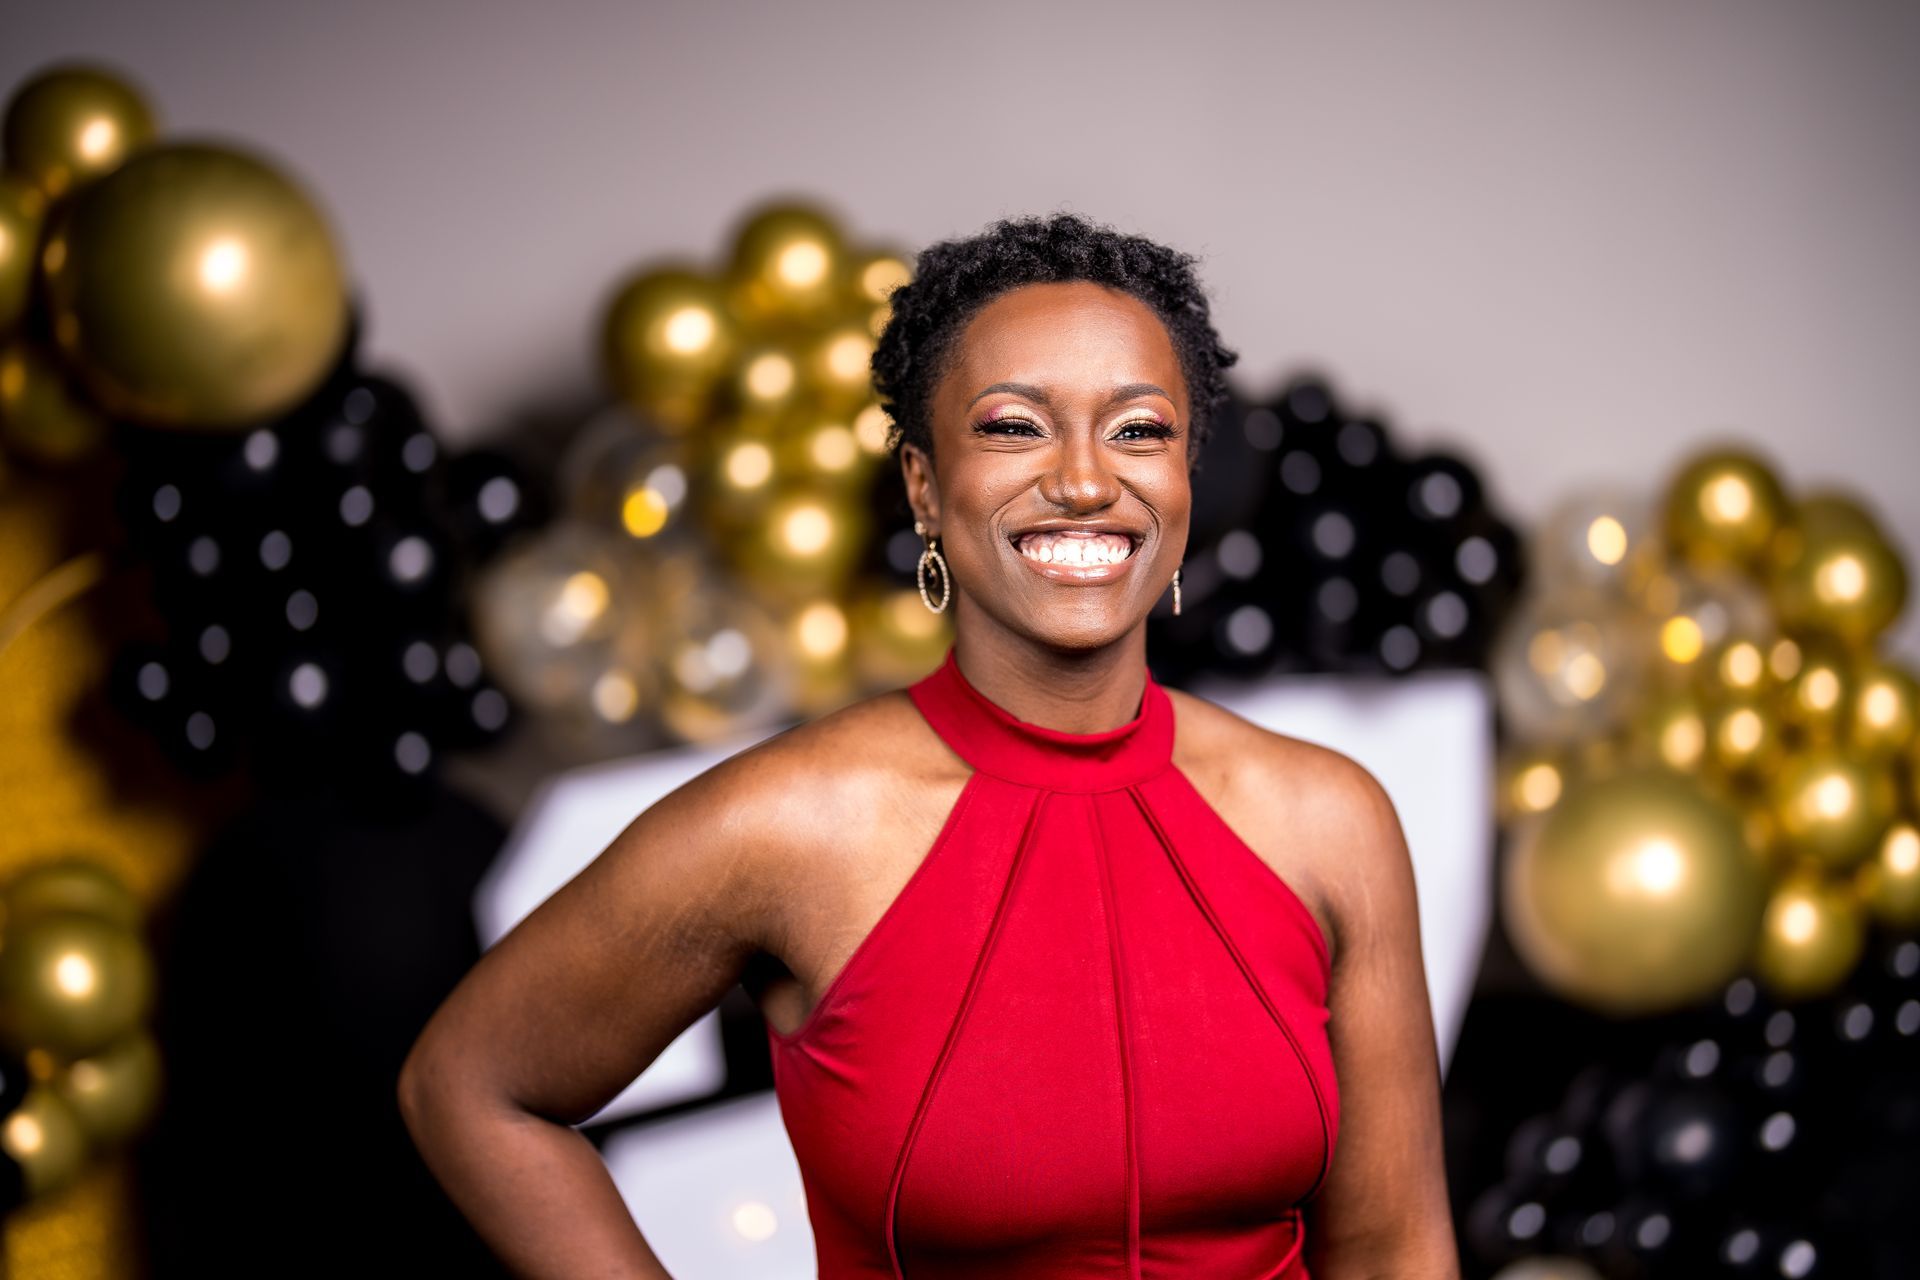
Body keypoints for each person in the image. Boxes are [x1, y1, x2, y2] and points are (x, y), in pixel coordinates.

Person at [399, 212, 1458, 1277]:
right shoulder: (785, 823)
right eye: (1014, 426)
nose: (1086, 480)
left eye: (1139, 430)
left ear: (1187, 477)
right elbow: (474, 1087)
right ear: (922, 484)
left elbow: (1394, 1251)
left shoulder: (1330, 819)